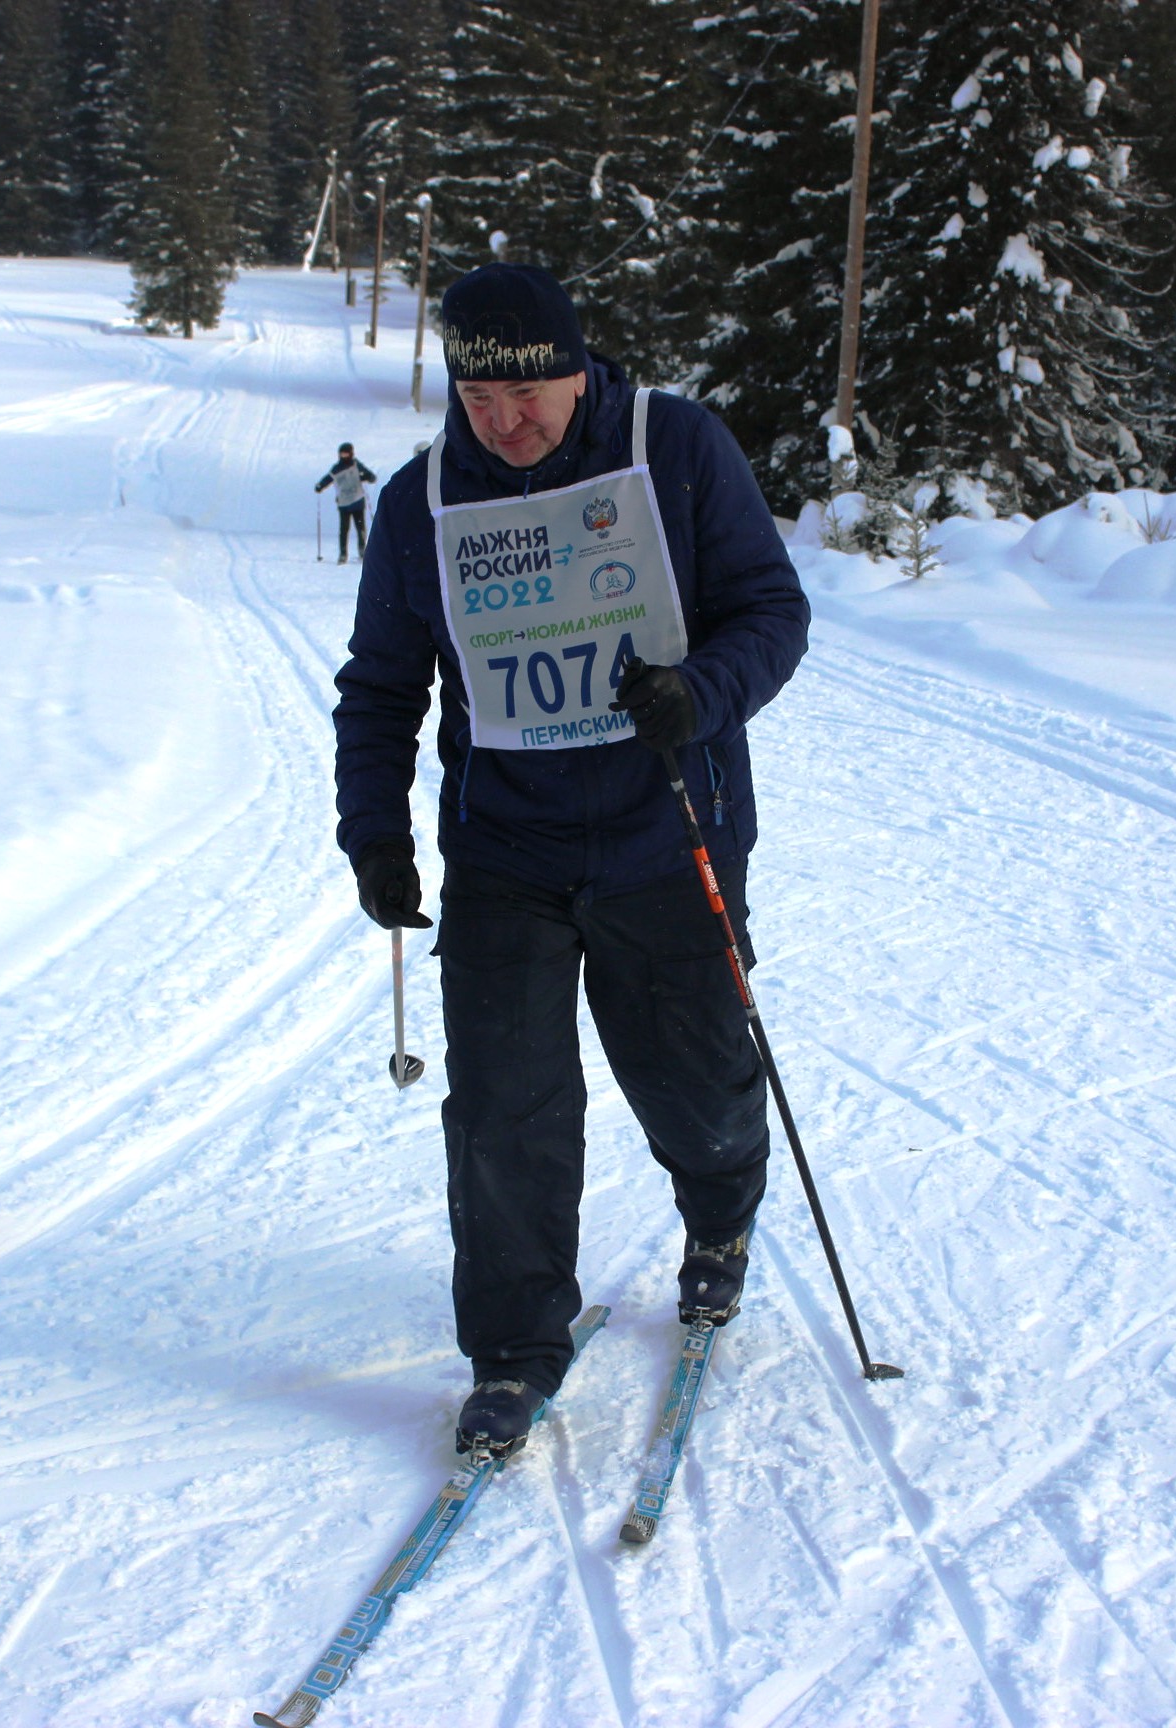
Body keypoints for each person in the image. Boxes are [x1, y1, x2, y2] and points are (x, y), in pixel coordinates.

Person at [331, 263, 809, 1459]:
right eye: (478, 396)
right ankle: (512, 1351)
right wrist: (374, 832)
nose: (505, 420)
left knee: (695, 1082)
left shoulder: (675, 446)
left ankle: (720, 1218)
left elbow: (772, 611)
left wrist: (696, 693)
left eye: (528, 391)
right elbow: (383, 688)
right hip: (506, 852)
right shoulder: (422, 500)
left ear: (577, 364)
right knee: (504, 1112)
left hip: (666, 832)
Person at [315, 442, 376, 561]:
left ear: (351, 453)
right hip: (344, 504)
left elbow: (371, 476)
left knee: (360, 528)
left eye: (346, 453)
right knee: (344, 530)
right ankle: (343, 554)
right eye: (342, 454)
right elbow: (328, 479)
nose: (344, 456)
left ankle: (362, 551)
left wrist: (366, 477)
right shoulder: (336, 468)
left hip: (357, 501)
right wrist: (320, 486)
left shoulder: (356, 465)